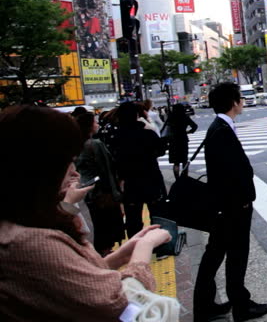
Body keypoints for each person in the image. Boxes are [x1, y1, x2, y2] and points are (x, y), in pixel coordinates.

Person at [0, 105, 171, 321]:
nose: (73, 171)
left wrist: (121, 256)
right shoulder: (30, 242)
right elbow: (116, 302)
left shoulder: (20, 221)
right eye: (67, 161)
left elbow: (74, 279)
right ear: (39, 167)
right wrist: (143, 252)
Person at [194, 82, 267, 322]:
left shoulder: (219, 126)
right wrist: (241, 202)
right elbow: (232, 171)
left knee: (215, 254)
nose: (242, 101)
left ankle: (206, 305)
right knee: (235, 255)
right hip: (232, 206)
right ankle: (241, 306)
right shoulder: (221, 129)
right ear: (233, 102)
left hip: (224, 205)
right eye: (239, 97)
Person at [72, 110, 125, 255]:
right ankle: (105, 253)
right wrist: (116, 193)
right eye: (94, 122)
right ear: (89, 126)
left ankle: (102, 251)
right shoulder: (95, 144)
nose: (97, 124)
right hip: (102, 191)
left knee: (98, 225)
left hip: (87, 192)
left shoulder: (77, 145)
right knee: (107, 226)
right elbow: (107, 170)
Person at [115, 101, 167, 238]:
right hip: (152, 178)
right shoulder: (148, 134)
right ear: (137, 115)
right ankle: (159, 244)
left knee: (133, 218)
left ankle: (135, 245)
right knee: (157, 214)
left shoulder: (117, 137)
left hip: (130, 182)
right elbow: (161, 150)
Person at [165, 103, 198, 178]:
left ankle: (177, 179)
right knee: (184, 160)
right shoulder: (185, 117)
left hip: (173, 141)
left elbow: (166, 129)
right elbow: (195, 126)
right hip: (183, 140)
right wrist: (188, 132)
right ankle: (184, 178)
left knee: (176, 163)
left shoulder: (170, 117)